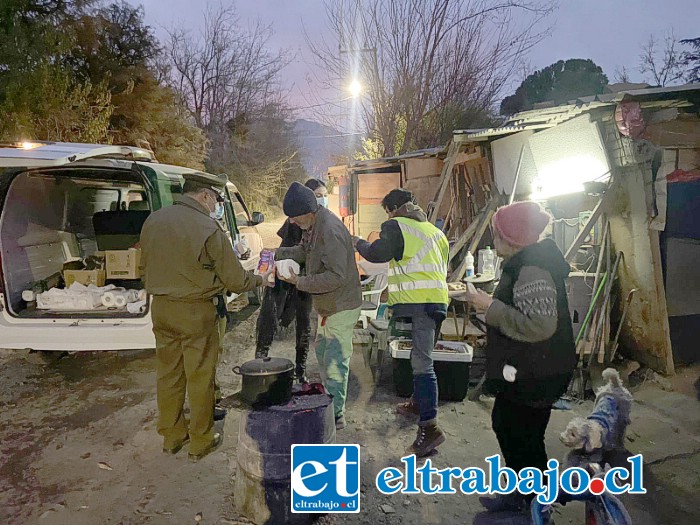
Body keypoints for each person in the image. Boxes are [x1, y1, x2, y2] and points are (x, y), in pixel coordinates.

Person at [140, 179, 272, 462]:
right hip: (195, 310)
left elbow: (144, 266)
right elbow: (235, 279)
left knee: (169, 373)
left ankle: (172, 435)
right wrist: (260, 279)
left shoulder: (154, 220)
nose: (217, 207)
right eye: (216, 201)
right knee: (200, 375)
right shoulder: (207, 228)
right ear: (204, 196)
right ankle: (201, 439)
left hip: (161, 308)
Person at [462, 201, 576, 512]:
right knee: (517, 430)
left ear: (510, 239)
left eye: (496, 234)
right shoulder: (524, 263)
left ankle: (536, 501)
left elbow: (540, 325)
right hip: (532, 368)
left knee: (520, 433)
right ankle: (526, 494)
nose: (493, 240)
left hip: (537, 372)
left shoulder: (532, 270)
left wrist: (489, 307)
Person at [354, 189, 449, 457]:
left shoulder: (397, 226)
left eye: (387, 211)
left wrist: (357, 242)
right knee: (421, 358)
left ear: (393, 209)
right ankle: (419, 403)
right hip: (437, 302)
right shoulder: (435, 231)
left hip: (419, 303)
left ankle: (429, 429)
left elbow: (376, 253)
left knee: (422, 364)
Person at [276, 181, 361, 430]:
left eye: (293, 217)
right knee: (323, 354)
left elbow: (336, 276)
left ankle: (335, 416)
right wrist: (278, 254)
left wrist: (298, 281)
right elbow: (304, 251)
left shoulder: (330, 230)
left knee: (334, 361)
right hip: (327, 305)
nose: (291, 222)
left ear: (306, 211)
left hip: (341, 305)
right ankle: (330, 403)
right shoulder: (312, 225)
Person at [255, 179, 329, 383]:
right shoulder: (296, 221)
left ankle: (300, 371)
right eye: (318, 195)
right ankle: (259, 362)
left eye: (324, 195)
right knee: (270, 318)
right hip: (284, 277)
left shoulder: (322, 222)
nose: (322, 200)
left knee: (304, 323)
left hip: (305, 279)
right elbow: (293, 249)